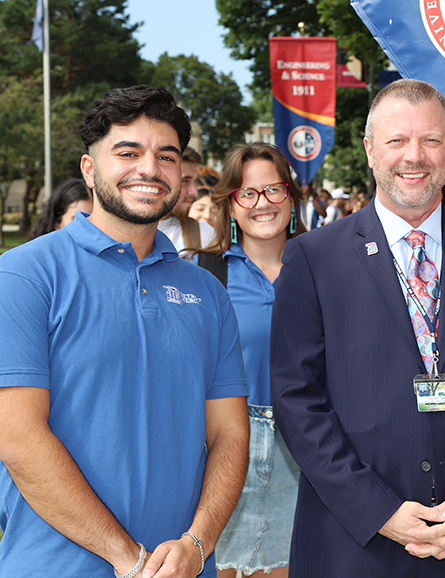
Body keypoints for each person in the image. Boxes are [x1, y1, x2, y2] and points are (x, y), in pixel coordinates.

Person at [270, 79, 445, 578]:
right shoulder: (313, 257)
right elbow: (297, 398)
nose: (414, 156)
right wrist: (379, 511)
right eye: (397, 140)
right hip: (353, 543)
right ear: (369, 149)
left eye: (431, 140)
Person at [0, 85, 250, 577]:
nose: (150, 169)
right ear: (89, 170)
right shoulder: (23, 275)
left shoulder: (207, 292)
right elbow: (19, 439)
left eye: (166, 155)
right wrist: (127, 559)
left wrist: (197, 545)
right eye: (128, 152)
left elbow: (229, 434)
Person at [195, 143, 305, 578]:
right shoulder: (205, 275)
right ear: (231, 206)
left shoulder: (324, 268)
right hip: (226, 445)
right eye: (248, 193)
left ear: (291, 199)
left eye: (274, 190)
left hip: (303, 451)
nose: (263, 203)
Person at [158, 147, 217, 254]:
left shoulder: (203, 233)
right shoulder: (121, 232)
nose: (194, 192)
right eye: (185, 181)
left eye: (194, 181)